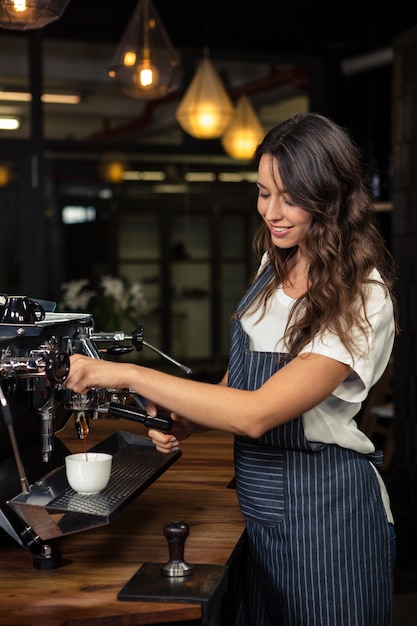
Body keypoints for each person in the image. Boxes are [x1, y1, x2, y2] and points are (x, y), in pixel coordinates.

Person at [64, 112, 398, 626]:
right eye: (264, 192)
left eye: (290, 197)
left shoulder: (362, 296)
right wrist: (188, 420)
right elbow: (240, 384)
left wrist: (126, 374)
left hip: (329, 518)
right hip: (258, 510)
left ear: (330, 199)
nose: (272, 212)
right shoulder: (276, 265)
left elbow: (258, 413)